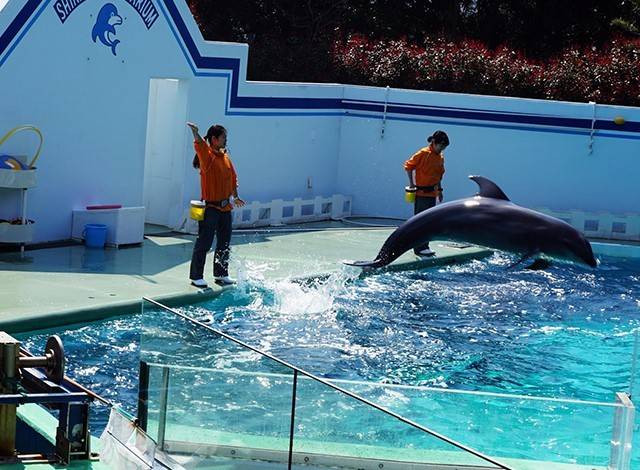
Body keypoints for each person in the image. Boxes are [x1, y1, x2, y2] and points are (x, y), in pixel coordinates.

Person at [187, 122, 245, 288]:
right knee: (204, 242)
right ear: (214, 139)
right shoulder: (208, 157)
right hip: (210, 208)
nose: (226, 140)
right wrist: (196, 133)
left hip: (225, 208)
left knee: (224, 243)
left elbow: (233, 179)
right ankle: (196, 276)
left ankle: (221, 274)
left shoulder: (225, 157)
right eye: (223, 137)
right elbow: (200, 146)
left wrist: (236, 196)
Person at [403, 130, 449, 257]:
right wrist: (412, 184)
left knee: (429, 221)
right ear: (434, 142)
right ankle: (418, 248)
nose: (442, 149)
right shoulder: (423, 153)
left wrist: (440, 190)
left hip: (432, 193)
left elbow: (439, 175)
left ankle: (425, 246)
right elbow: (408, 166)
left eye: (444, 147)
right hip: (421, 193)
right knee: (420, 222)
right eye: (441, 146)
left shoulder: (440, 156)